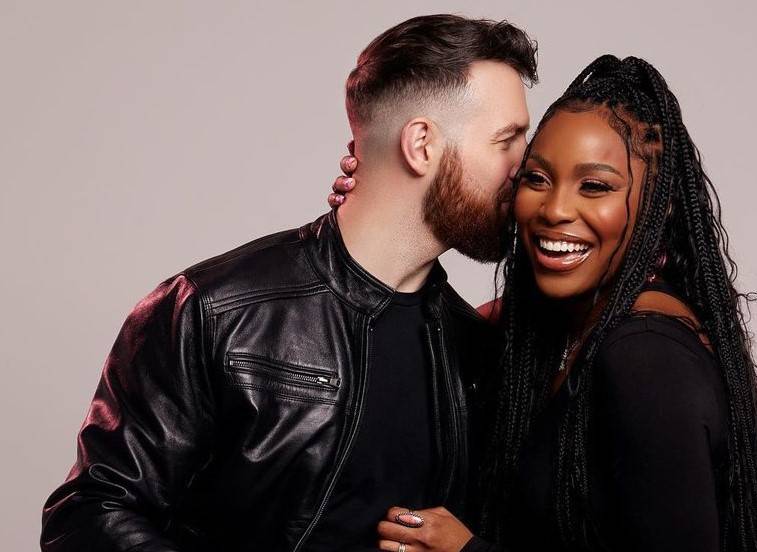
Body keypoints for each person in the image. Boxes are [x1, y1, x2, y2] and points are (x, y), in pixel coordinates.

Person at [40, 14, 539, 552]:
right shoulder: (215, 310)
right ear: (421, 145)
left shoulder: (477, 350)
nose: (526, 167)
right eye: (506, 140)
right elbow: (90, 516)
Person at [330, 55, 757, 551]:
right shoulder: (557, 328)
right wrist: (382, 192)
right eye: (536, 179)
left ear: (659, 203)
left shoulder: (646, 359)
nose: (555, 209)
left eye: (595, 186)